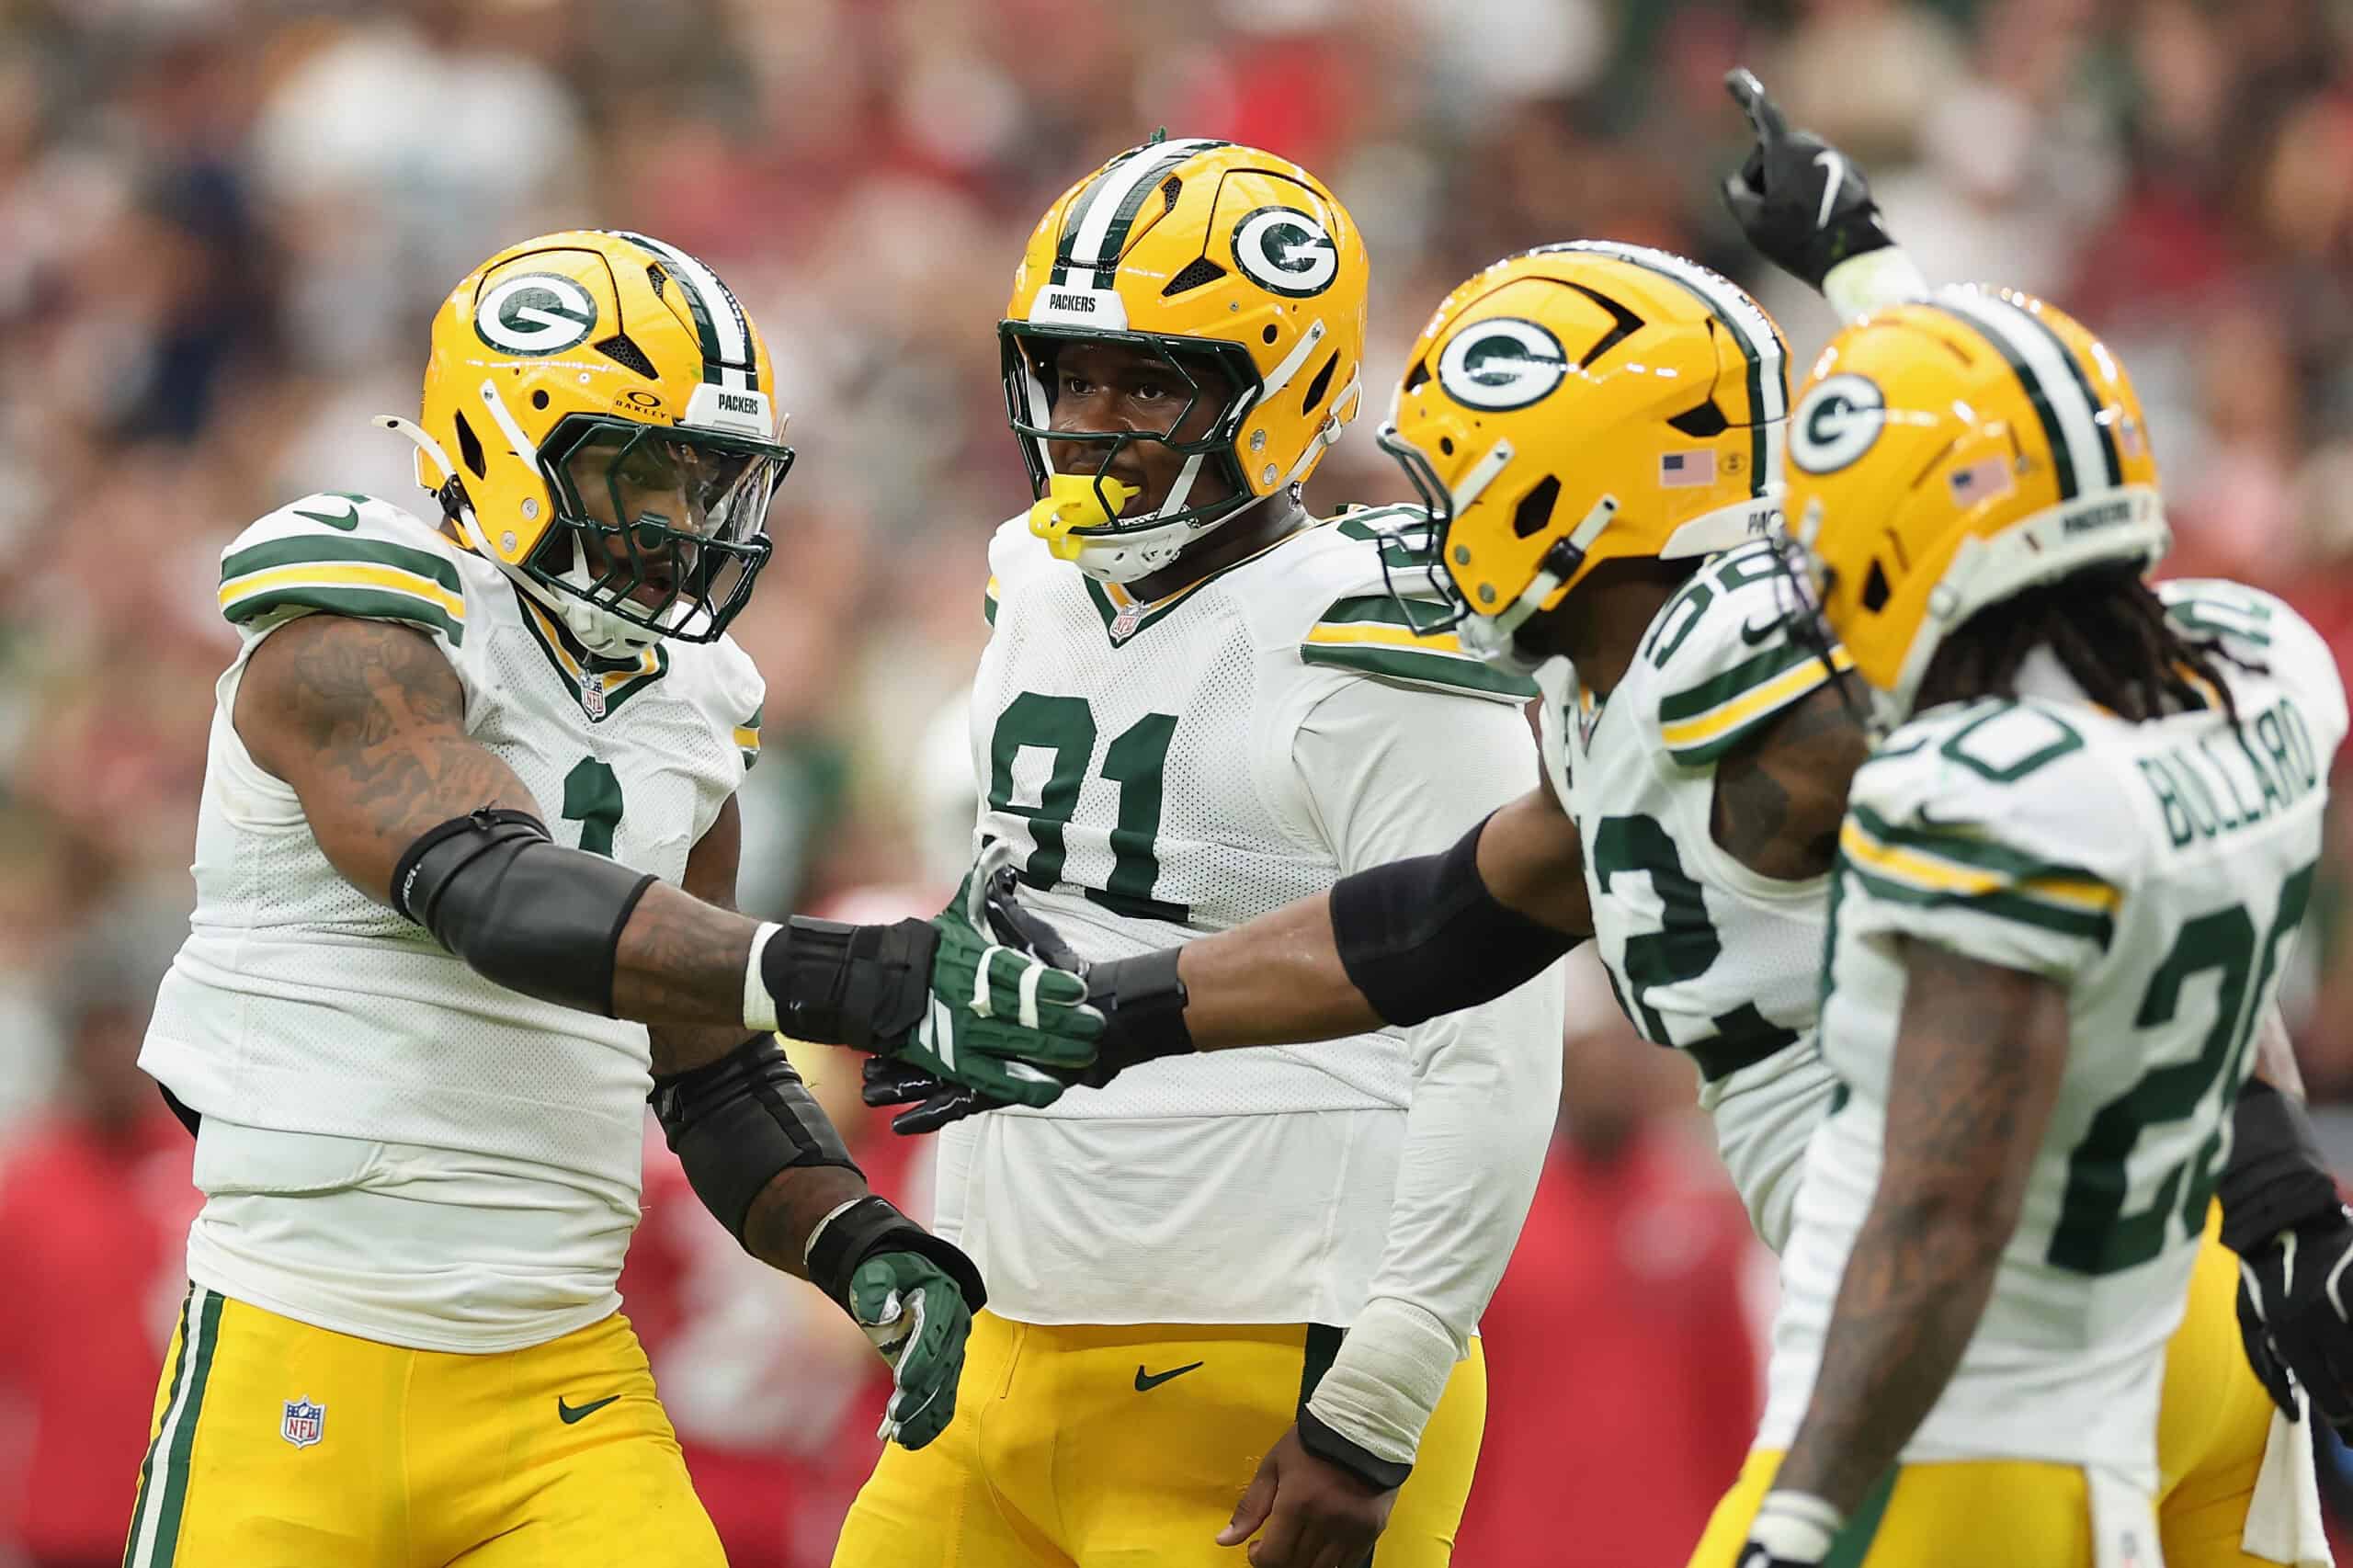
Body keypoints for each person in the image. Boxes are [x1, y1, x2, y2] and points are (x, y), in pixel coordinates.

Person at [905, 81, 2353, 1568]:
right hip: (2205, 1292)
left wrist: (1804, 1508)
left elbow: (1949, 1167)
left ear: (1564, 491)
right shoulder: (1946, 663)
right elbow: (1434, 928)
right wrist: (1108, 1012)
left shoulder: (1742, 708)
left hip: (1974, 1343)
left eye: (1456, 481)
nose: (1431, 529)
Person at [124, 228, 1098, 1566]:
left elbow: (710, 1066)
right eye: (637, 469)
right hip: (300, 1345)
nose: (679, 520)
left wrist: (855, 1237)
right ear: (505, 444)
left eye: (704, 480)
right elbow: (491, 891)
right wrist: (863, 974)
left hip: (561, 1388)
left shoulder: (693, 709)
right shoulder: (358, 627)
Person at [837, 136, 1564, 1568]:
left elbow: (1492, 1048)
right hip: (999, 1348)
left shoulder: (1375, 629)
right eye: (1070, 375)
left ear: (1278, 391)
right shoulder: (1034, 580)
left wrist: (1378, 1399)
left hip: (1260, 1348)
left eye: (1150, 382)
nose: (1091, 421)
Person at [1704, 283, 2343, 1568]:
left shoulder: (1971, 798)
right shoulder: (2266, 672)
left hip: (1945, 1435)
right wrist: (1866, 273)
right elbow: (2039, 494)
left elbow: (1946, 1216)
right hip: (2155, 1372)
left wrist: (1804, 1519)